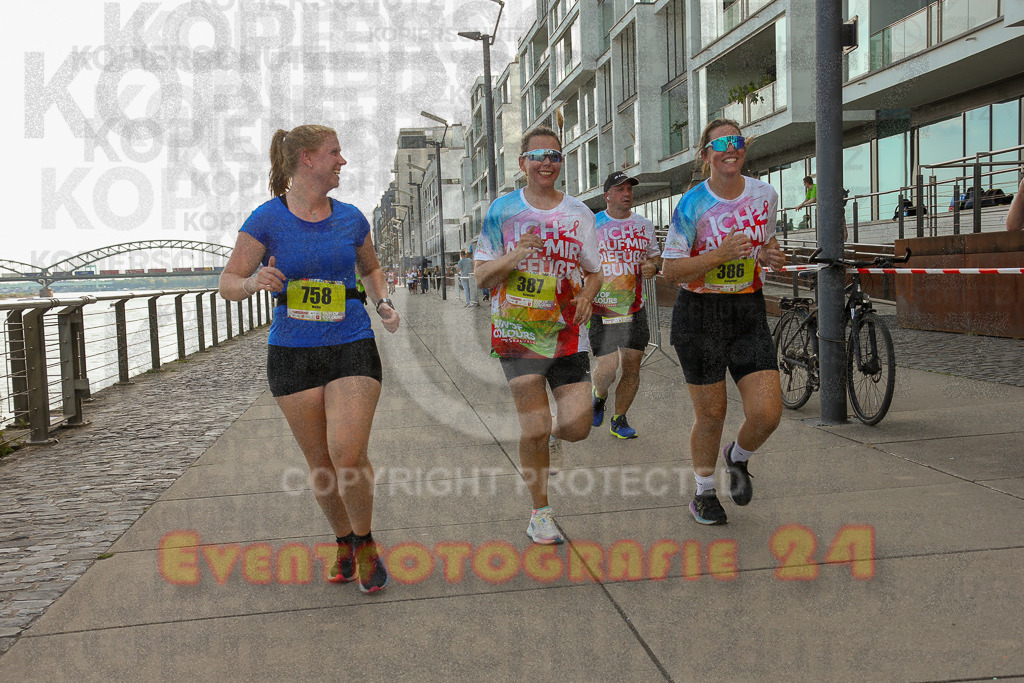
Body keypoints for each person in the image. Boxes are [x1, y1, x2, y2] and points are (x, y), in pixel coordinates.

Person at [219, 124, 400, 592]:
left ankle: (365, 541)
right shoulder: (266, 219)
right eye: (334, 152)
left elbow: (372, 268)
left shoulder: (351, 218)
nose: (342, 161)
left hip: (350, 342)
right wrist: (252, 283)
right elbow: (228, 283)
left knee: (347, 451)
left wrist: (382, 302)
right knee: (321, 462)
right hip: (292, 352)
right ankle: (343, 540)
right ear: (306, 159)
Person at [474, 126, 602, 545]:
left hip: (566, 333)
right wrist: (514, 256)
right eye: (538, 155)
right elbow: (481, 276)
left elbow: (595, 271)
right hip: (518, 331)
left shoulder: (580, 213)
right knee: (533, 426)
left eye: (554, 155)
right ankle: (540, 513)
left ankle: (551, 438)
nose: (547, 162)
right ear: (523, 163)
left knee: (578, 425)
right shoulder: (502, 211)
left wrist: (586, 294)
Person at [662, 118, 785, 526]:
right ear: (706, 155)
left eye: (738, 141)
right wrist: (719, 255)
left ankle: (738, 457)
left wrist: (768, 254)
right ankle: (703, 493)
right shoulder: (692, 204)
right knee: (712, 414)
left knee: (768, 413)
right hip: (699, 315)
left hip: (747, 310)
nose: (731, 149)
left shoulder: (764, 194)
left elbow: (765, 242)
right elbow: (671, 270)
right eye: (721, 143)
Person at [589, 171, 662, 439]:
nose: (627, 193)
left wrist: (652, 266)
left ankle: (619, 419)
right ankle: (599, 395)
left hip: (633, 308)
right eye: (620, 189)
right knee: (608, 369)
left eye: (629, 189)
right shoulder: (593, 224)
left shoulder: (644, 225)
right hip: (601, 309)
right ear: (607, 195)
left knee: (632, 367)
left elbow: (656, 257)